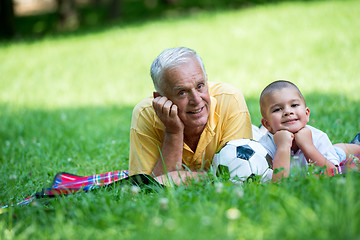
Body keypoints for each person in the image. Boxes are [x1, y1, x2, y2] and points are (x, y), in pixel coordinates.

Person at [129, 47, 253, 179]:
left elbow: (238, 175)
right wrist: (173, 132)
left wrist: (179, 178)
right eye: (182, 92)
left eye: (200, 86)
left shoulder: (230, 99)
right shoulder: (145, 114)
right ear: (160, 98)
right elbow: (152, 186)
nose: (196, 100)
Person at [258, 80, 360, 181]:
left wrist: (308, 146)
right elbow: (278, 182)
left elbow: (332, 173)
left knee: (340, 151)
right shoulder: (263, 148)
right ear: (267, 124)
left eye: (294, 105)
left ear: (307, 114)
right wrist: (283, 147)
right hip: (322, 152)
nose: (288, 112)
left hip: (326, 153)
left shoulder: (318, 137)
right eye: (277, 109)